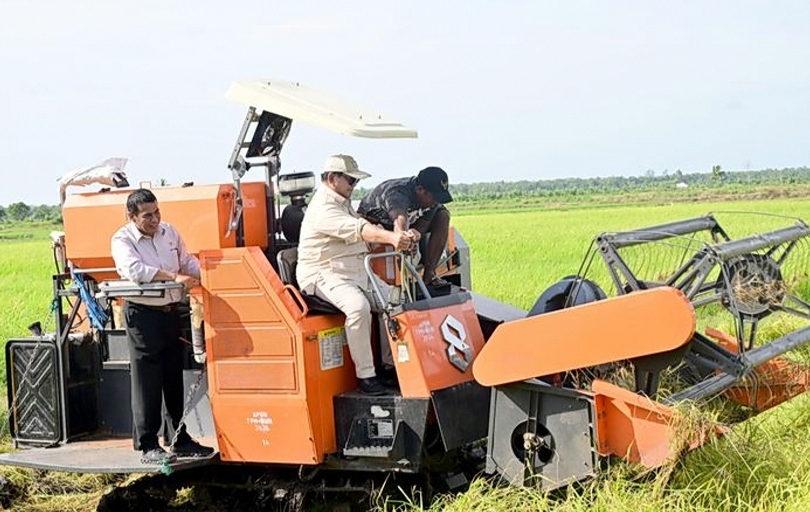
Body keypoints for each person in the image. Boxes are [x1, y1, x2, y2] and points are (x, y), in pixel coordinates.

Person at [111, 188, 215, 465]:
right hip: (143, 315)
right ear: (131, 216)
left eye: (157, 212)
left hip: (171, 312)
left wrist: (211, 274)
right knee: (147, 380)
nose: (154, 219)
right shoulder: (122, 240)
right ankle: (148, 444)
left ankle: (179, 438)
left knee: (173, 377)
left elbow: (186, 261)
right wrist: (173, 276)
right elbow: (134, 270)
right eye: (147, 215)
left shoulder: (169, 232)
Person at [296, 155, 414, 396]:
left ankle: (390, 366)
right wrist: (392, 238)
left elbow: (364, 225)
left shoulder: (342, 203)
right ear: (333, 178)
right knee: (358, 307)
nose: (354, 185)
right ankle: (366, 376)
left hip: (354, 270)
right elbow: (358, 229)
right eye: (350, 180)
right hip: (323, 272)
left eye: (355, 181)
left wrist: (402, 235)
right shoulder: (323, 208)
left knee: (395, 301)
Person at [357, 166, 453, 289]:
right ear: (420, 189)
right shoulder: (397, 193)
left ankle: (430, 275)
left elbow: (423, 223)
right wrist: (404, 239)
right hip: (378, 222)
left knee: (443, 215)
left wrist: (415, 236)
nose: (436, 201)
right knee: (402, 241)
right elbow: (399, 219)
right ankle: (403, 283)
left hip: (407, 220)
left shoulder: (432, 201)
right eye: (434, 197)